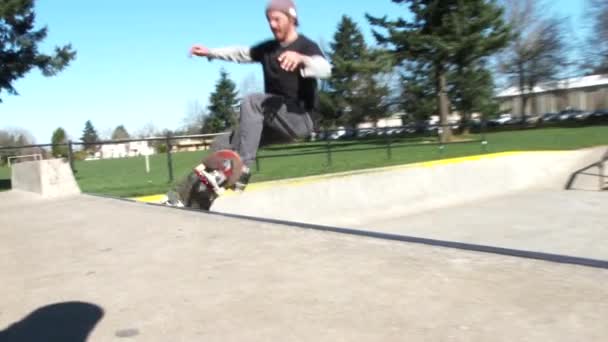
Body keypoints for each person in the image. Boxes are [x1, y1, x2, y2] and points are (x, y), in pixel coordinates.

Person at [189, 0, 332, 191]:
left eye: (277, 19)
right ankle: (202, 190)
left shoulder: (305, 45)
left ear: (291, 19)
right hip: (274, 123)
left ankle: (242, 168)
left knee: (252, 102)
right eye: (269, 20)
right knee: (223, 142)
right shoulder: (268, 49)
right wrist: (211, 52)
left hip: (300, 118)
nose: (272, 24)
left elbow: (325, 69)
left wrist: (302, 59)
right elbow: (240, 53)